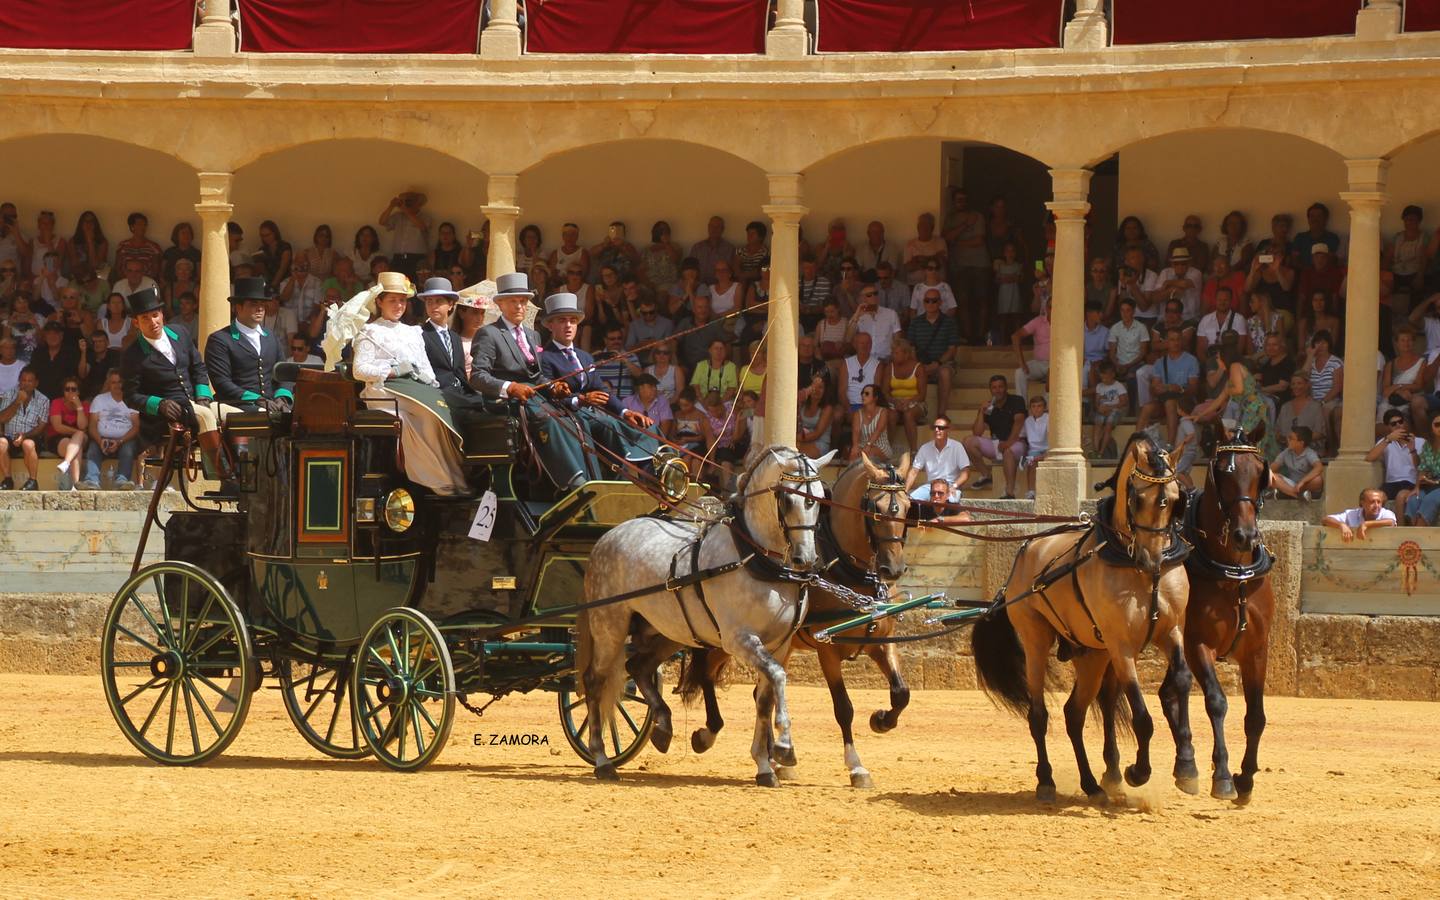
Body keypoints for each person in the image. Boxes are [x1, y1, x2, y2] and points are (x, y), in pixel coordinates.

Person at [469, 272, 593, 491]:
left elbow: (536, 377)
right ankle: (572, 480)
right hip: (504, 403)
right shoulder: (489, 334)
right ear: (500, 304)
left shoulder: (532, 334)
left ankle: (591, 475)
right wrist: (510, 387)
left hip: (533, 399)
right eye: (513, 301)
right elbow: (478, 376)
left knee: (572, 416)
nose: (519, 306)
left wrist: (554, 386)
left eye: (523, 301)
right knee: (546, 417)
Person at [350, 272, 467, 496]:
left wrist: (428, 381)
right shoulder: (370, 331)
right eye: (392, 300)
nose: (398, 305)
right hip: (383, 390)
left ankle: (454, 475)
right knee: (428, 414)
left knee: (440, 411)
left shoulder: (413, 332)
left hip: (415, 389)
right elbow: (359, 370)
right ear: (379, 302)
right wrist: (392, 371)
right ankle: (437, 479)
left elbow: (425, 367)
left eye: (402, 300)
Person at [120, 287, 241, 494]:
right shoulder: (132, 354)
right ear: (136, 322)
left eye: (155, 315)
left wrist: (203, 393)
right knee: (205, 417)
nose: (153, 322)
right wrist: (159, 404)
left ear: (162, 314)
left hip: (198, 402)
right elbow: (130, 396)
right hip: (167, 415)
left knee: (240, 418)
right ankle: (226, 479)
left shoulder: (181, 333)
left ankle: (245, 475)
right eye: (145, 318)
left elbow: (198, 367)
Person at [538, 291, 659, 472]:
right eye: (562, 320)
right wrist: (581, 400)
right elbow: (548, 397)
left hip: (595, 414)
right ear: (550, 325)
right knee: (610, 424)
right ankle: (620, 472)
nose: (568, 325)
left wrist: (625, 412)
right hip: (570, 417)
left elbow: (602, 390)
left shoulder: (585, 357)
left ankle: (658, 471)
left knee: (644, 424)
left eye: (572, 320)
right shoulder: (545, 358)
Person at [204, 277, 293, 414]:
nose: (260, 308)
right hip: (238, 404)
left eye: (263, 304)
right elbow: (222, 383)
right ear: (238, 308)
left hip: (273, 403)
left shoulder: (270, 337)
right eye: (253, 304)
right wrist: (257, 399)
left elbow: (283, 372)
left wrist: (281, 397)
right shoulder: (220, 340)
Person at [962, 375, 1027, 494]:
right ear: (990, 390)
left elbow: (1019, 422)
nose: (998, 390)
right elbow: (977, 432)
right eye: (994, 387)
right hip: (998, 445)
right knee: (968, 441)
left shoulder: (1017, 400)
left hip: (1017, 443)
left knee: (1009, 451)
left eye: (1001, 386)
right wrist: (981, 412)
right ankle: (986, 475)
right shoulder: (989, 406)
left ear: (1006, 388)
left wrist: (1008, 443)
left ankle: (1009, 492)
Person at [1137, 327, 1200, 447]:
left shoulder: (1191, 360)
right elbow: (1154, 388)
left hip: (1185, 402)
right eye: (1172, 340)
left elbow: (1194, 388)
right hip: (1165, 401)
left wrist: (1179, 388)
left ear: (1182, 341)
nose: (1175, 343)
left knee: (1170, 403)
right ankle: (1134, 446)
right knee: (1147, 408)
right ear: (1166, 342)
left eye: (1178, 339)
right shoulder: (1160, 362)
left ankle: (1170, 447)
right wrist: (1156, 388)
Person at [80, 369, 141, 490]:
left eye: (120, 382)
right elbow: (92, 425)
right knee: (93, 448)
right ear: (108, 384)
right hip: (102, 439)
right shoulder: (99, 399)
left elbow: (136, 426)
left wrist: (120, 441)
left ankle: (122, 480)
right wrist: (99, 440)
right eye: (113, 382)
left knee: (128, 449)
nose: (117, 385)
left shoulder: (132, 399)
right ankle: (92, 481)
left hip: (125, 440)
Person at [1366, 411, 1424, 516]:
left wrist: (1413, 450)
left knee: (1400, 497)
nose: (1398, 425)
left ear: (1405, 423)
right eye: (1393, 424)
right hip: (1391, 483)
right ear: (1388, 427)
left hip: (1410, 482)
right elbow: (1370, 457)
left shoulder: (1420, 442)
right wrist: (1388, 439)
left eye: (1400, 422)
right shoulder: (1385, 442)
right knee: (1373, 498)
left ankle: (1399, 529)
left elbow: (1421, 467)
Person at [0, 366, 49, 490]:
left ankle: (33, 481)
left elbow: (41, 426)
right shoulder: (9, 394)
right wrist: (17, 402)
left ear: (36, 383)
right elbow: (2, 419)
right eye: (23, 380)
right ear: (19, 381)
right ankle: (7, 480)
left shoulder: (43, 400)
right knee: (1, 443)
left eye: (29, 381)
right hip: (10, 436)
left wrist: (25, 436)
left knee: (28, 444)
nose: (26, 383)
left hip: (30, 436)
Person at [905, 415, 970, 500]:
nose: (936, 430)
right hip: (930, 486)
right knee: (910, 501)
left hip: (950, 485)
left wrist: (954, 486)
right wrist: (905, 492)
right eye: (934, 427)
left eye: (940, 428)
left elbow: (966, 472)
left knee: (950, 502)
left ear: (948, 430)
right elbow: (914, 471)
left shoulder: (957, 446)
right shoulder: (925, 448)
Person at [45, 375, 89, 490]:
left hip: (80, 438)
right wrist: (78, 432)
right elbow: (58, 427)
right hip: (58, 439)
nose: (70, 392)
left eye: (73, 389)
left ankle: (66, 463)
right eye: (67, 389)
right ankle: (76, 485)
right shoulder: (57, 403)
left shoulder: (84, 405)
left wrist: (79, 407)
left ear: (78, 391)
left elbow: (83, 426)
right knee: (75, 447)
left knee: (78, 437)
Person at [886, 338, 927, 453]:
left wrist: (907, 402)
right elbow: (884, 392)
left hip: (916, 401)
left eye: (897, 353)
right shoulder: (890, 368)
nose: (894, 355)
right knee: (891, 415)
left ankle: (914, 451)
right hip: (894, 402)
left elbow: (922, 395)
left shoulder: (918, 368)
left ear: (906, 354)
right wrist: (895, 402)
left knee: (908, 415)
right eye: (893, 353)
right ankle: (886, 451)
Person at [379, 191, 432, 278]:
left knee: (415, 284)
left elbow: (422, 226)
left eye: (409, 201)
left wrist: (405, 210)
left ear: (417, 203)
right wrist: (391, 206)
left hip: (416, 258)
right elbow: (382, 222)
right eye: (404, 201)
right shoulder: (398, 216)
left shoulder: (425, 217)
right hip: (398, 258)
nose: (406, 203)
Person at [848, 281, 902, 361]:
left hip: (886, 359)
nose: (873, 296)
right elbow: (848, 338)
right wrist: (857, 316)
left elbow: (898, 340)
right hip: (865, 359)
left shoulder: (891, 313)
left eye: (875, 293)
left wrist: (893, 358)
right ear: (861, 298)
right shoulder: (858, 316)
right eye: (869, 295)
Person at [1010, 394, 1049, 501]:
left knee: (1041, 457)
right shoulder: (1028, 421)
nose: (1036, 409)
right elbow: (1022, 436)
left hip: (1048, 449)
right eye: (1033, 406)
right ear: (1030, 408)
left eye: (1039, 406)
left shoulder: (1049, 418)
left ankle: (1029, 459)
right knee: (1032, 462)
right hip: (1034, 450)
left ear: (1044, 407)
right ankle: (1031, 491)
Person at [1270, 426, 1324, 502]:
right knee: (1271, 476)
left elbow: (1319, 467)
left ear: (1301, 443)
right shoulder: (1286, 452)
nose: (1287, 440)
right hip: (1292, 484)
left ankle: (1287, 494)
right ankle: (1298, 495)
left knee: (1318, 480)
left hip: (1305, 486)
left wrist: (1302, 482)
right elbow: (1272, 467)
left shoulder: (1309, 453)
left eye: (1291, 438)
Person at [1011, 303, 1051, 401]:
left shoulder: (1065, 322)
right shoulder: (1038, 321)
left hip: (1057, 365)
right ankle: (1021, 407)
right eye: (1050, 306)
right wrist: (1022, 362)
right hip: (1040, 363)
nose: (1053, 309)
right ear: (1046, 308)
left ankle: (1044, 409)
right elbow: (1015, 336)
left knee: (1052, 380)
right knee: (1020, 372)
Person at [1324, 488, 1396, 542]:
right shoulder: (1351, 514)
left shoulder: (1386, 513)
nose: (1376, 505)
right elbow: (1326, 520)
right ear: (1362, 503)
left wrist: (1366, 524)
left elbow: (1391, 522)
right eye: (1372, 502)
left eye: (1379, 502)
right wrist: (1341, 525)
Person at [1405, 415, 1440, 524]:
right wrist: (1417, 488)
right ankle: (1411, 538)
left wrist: (1433, 481)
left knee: (1429, 500)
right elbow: (1422, 468)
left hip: (1435, 484)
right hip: (1429, 484)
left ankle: (1416, 537)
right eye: (1437, 425)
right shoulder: (1428, 445)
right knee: (1413, 500)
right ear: (1432, 427)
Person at [1091, 360, 1127, 459]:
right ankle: (1096, 450)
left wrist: (1110, 408)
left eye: (1106, 377)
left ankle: (1101, 451)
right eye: (1102, 377)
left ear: (1112, 375)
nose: (1104, 380)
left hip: (1115, 409)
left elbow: (1124, 402)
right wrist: (1099, 408)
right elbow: (1096, 401)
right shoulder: (1099, 386)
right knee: (1097, 424)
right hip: (1103, 409)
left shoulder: (1118, 386)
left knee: (1108, 425)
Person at [842, 332, 884, 414]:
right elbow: (842, 391)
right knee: (837, 415)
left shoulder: (878, 365)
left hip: (869, 405)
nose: (865, 346)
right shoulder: (846, 363)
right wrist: (848, 408)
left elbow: (877, 390)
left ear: (871, 345)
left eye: (868, 343)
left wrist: (868, 407)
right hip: (851, 404)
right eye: (862, 343)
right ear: (855, 345)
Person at [797, 372, 836, 457]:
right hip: (802, 441)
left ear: (825, 390)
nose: (816, 390)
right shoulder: (803, 405)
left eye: (820, 387)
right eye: (814, 386)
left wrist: (797, 438)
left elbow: (817, 433)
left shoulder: (827, 408)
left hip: (819, 444)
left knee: (796, 455)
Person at [850, 383, 892, 462]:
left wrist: (869, 445)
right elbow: (856, 431)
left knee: (868, 455)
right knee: (853, 456)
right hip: (862, 445)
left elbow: (878, 430)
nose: (863, 395)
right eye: (862, 393)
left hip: (880, 446)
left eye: (867, 394)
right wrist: (855, 446)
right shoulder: (858, 413)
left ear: (875, 398)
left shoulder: (883, 411)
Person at [689, 216, 735, 285]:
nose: (714, 229)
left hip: (720, 287)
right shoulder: (697, 248)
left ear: (722, 229)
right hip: (699, 287)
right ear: (708, 227)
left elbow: (732, 273)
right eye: (712, 226)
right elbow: (690, 269)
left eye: (717, 227)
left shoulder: (730, 249)